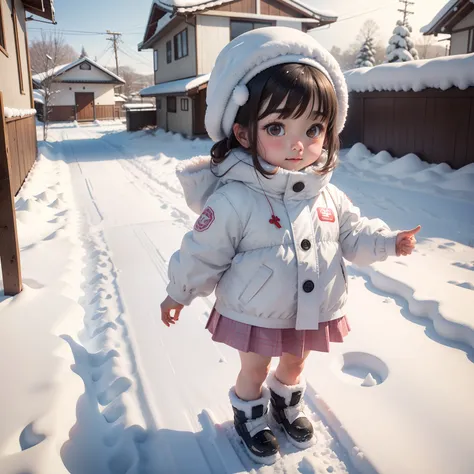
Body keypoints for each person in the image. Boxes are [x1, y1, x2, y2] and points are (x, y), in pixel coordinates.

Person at [160, 27, 420, 465]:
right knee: (255, 367)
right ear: (243, 133)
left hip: (310, 306)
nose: (299, 144)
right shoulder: (235, 197)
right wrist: (179, 291)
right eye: (278, 127)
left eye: (313, 127)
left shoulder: (327, 195)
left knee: (296, 364)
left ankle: (285, 399)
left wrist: (389, 242)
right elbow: (202, 250)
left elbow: (354, 234)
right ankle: (250, 412)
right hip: (253, 309)